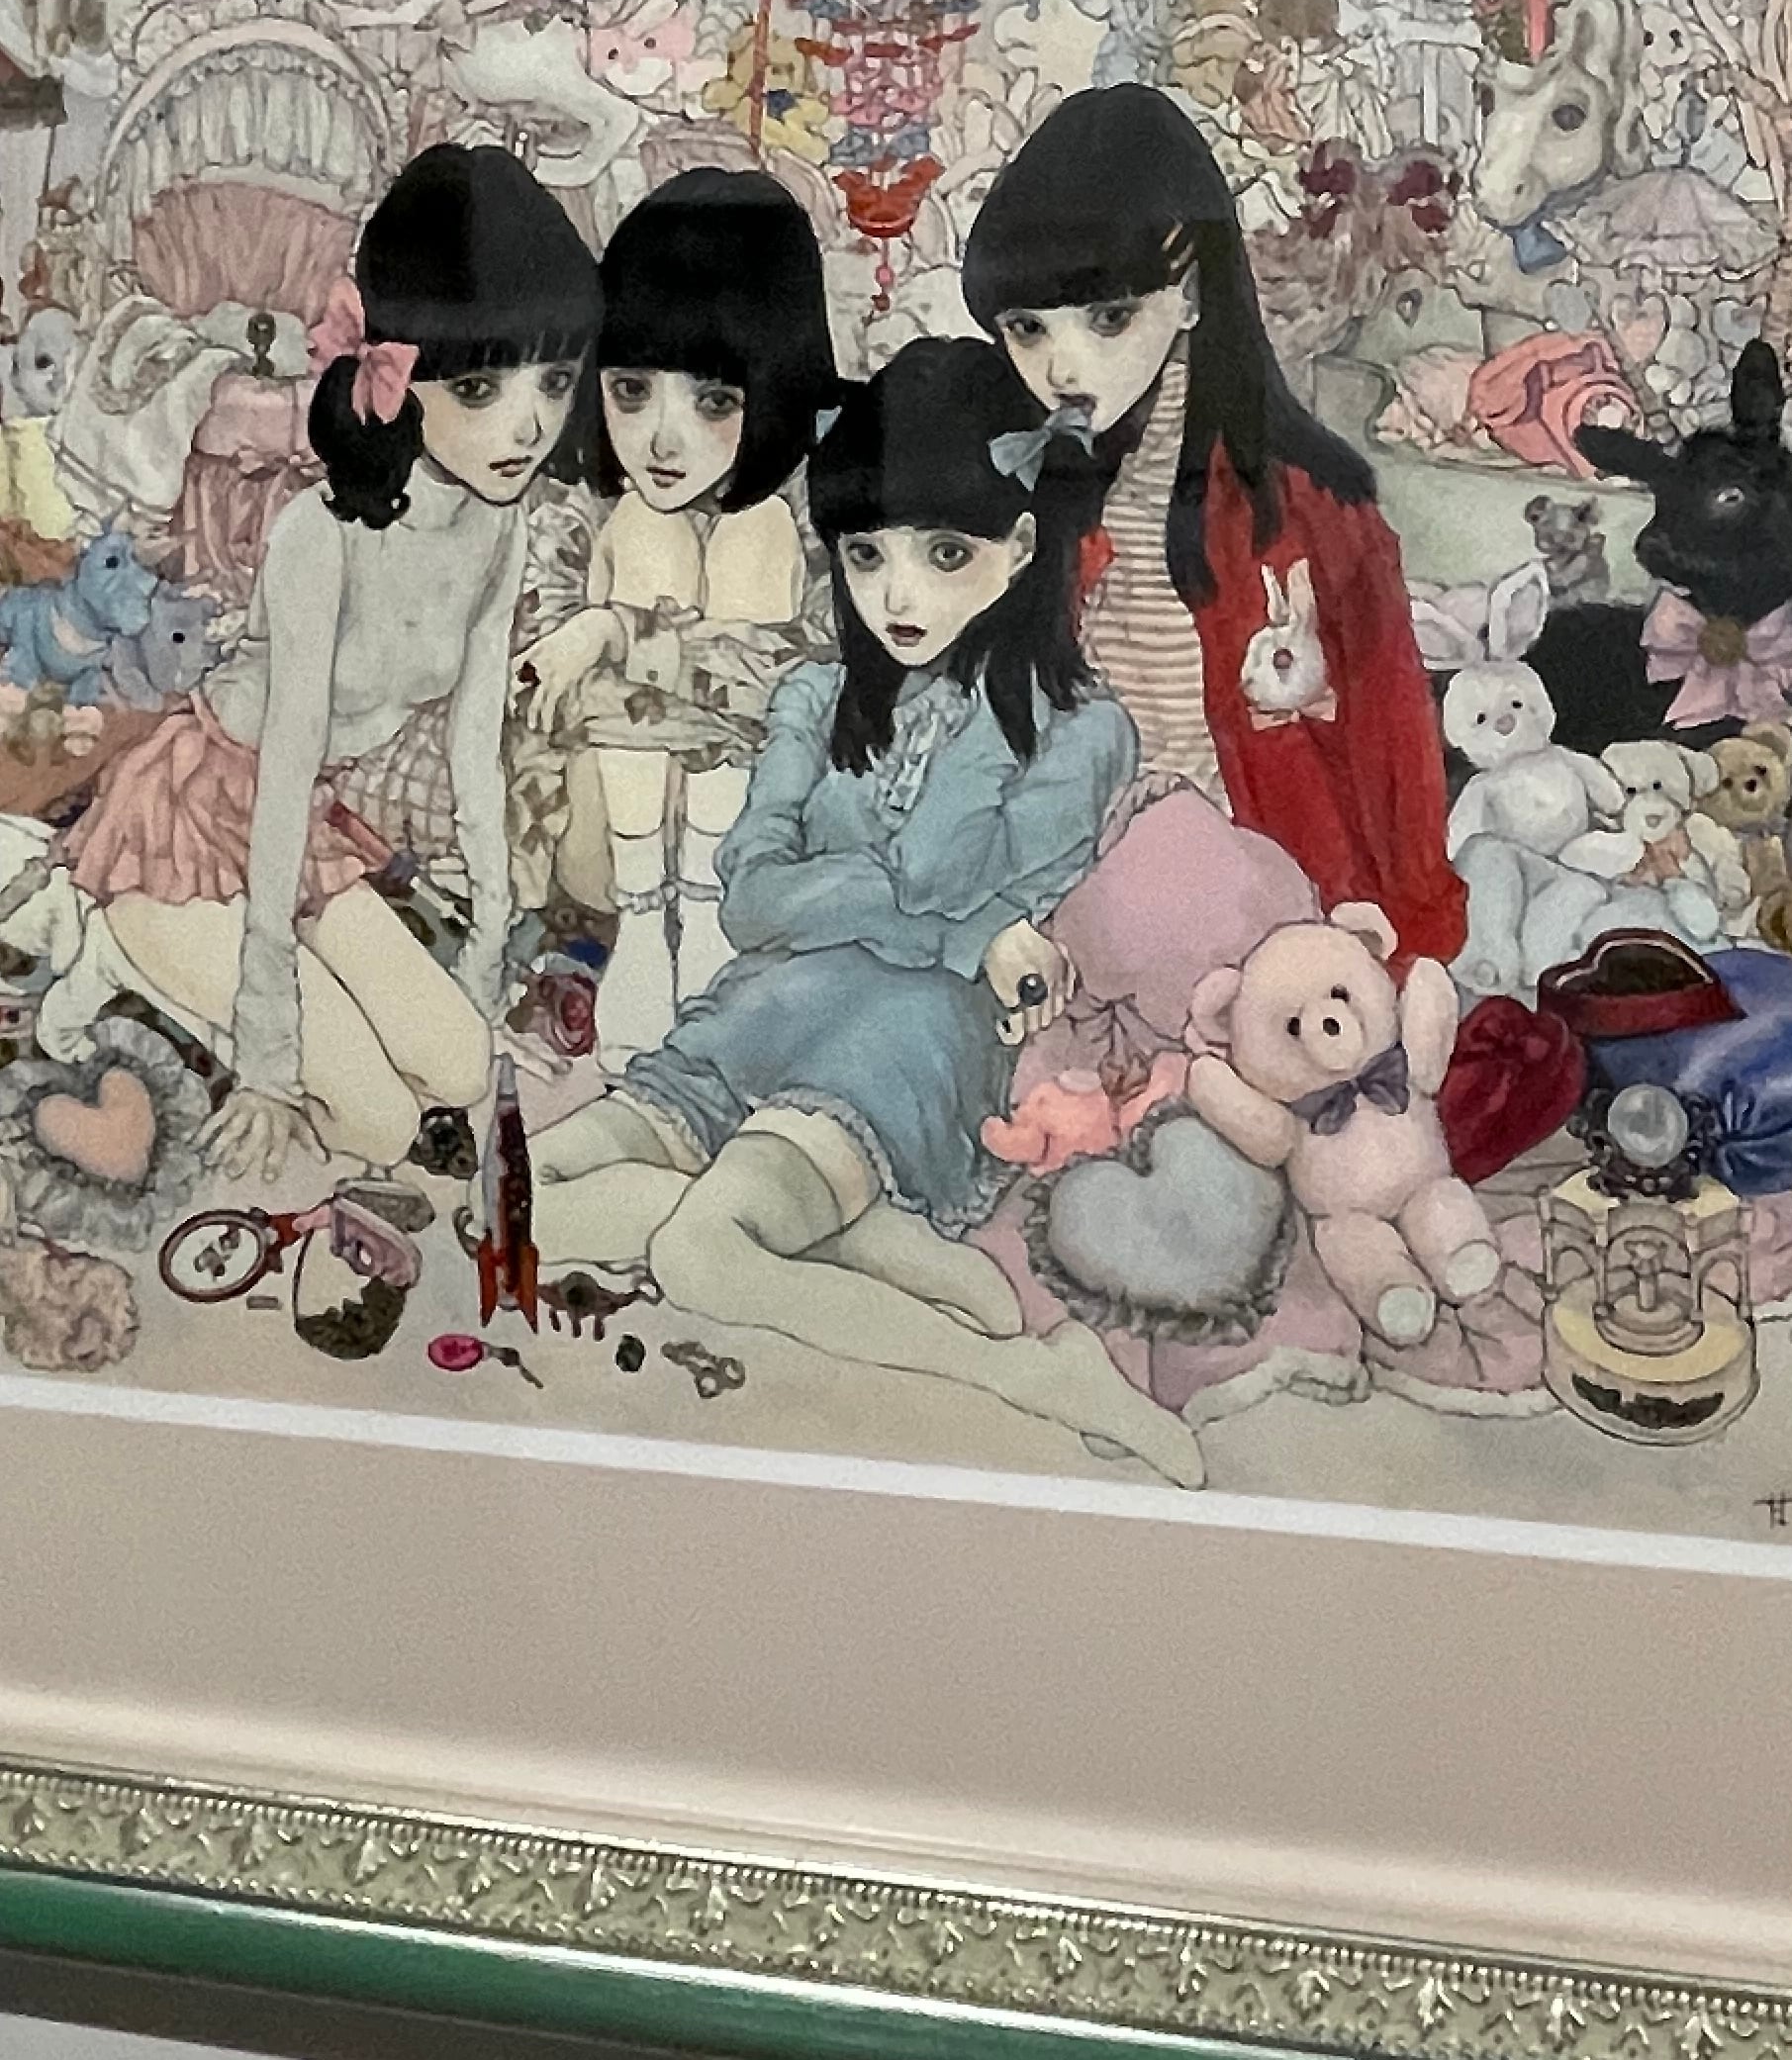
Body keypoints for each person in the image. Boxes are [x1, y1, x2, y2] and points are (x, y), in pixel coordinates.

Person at [526, 336, 1198, 1488]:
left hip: (914, 1037)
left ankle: (1035, 1376)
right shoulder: (815, 694)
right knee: (520, 1193)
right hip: (768, 1003)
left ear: (1019, 546)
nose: (898, 595)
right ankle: (855, 1241)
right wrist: (945, 926)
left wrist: (878, 881)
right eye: (868, 553)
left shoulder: (1083, 729)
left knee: (700, 1254)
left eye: (946, 554)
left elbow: (946, 874)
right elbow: (753, 897)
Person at [51, 143, 601, 1175]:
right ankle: (117, 952)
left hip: (304, 829)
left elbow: (475, 749)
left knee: (460, 1067)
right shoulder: (323, 535)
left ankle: (247, 989)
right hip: (198, 820)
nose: (529, 424)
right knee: (379, 1124)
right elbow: (285, 762)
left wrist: (489, 942)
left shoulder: (501, 525)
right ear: (398, 373)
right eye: (481, 386)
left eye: (556, 380)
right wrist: (267, 1054)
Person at [960, 85, 1463, 963]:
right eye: (1028, 329)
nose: (1063, 366)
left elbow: (1394, 743)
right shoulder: (1027, 491)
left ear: (1191, 290)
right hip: (1067, 905)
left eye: (1109, 317)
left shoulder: (1310, 506)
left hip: (1274, 911)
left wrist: (1414, 943)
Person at [517, 170, 840, 1066]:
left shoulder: (810, 507)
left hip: (747, 842)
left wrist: (620, 632)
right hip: (603, 843)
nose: (663, 439)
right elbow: (541, 682)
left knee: (752, 528)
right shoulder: (577, 506)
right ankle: (652, 921)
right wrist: (652, 648)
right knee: (649, 530)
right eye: (631, 392)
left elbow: (812, 675)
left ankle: (701, 915)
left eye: (714, 401)